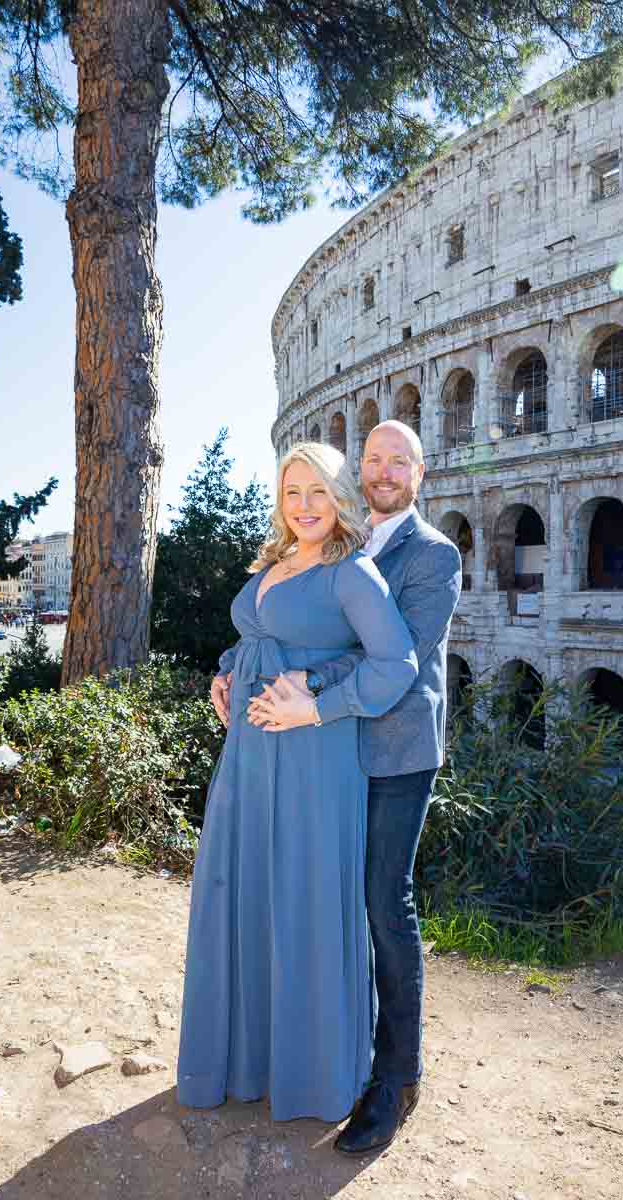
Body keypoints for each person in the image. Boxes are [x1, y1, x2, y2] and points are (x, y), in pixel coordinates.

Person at [216, 420, 463, 1152]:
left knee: (383, 902)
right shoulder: (332, 543)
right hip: (320, 745)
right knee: (318, 899)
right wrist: (236, 668)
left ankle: (395, 1078)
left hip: (391, 750)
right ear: (359, 471)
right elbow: (293, 621)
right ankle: (330, 1053)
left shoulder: (433, 555)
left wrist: (307, 688)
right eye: (373, 459)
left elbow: (397, 657)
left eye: (399, 461)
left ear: (420, 473)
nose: (384, 471)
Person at [177, 442, 418, 1123]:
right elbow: (255, 640)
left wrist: (315, 705)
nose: (305, 506)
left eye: (318, 492)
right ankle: (243, 1062)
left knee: (302, 899)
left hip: (312, 758)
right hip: (249, 755)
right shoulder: (275, 564)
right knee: (244, 891)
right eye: (292, 493)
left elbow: (394, 664)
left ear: (340, 497)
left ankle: (309, 1077)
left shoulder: (351, 572)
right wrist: (226, 673)